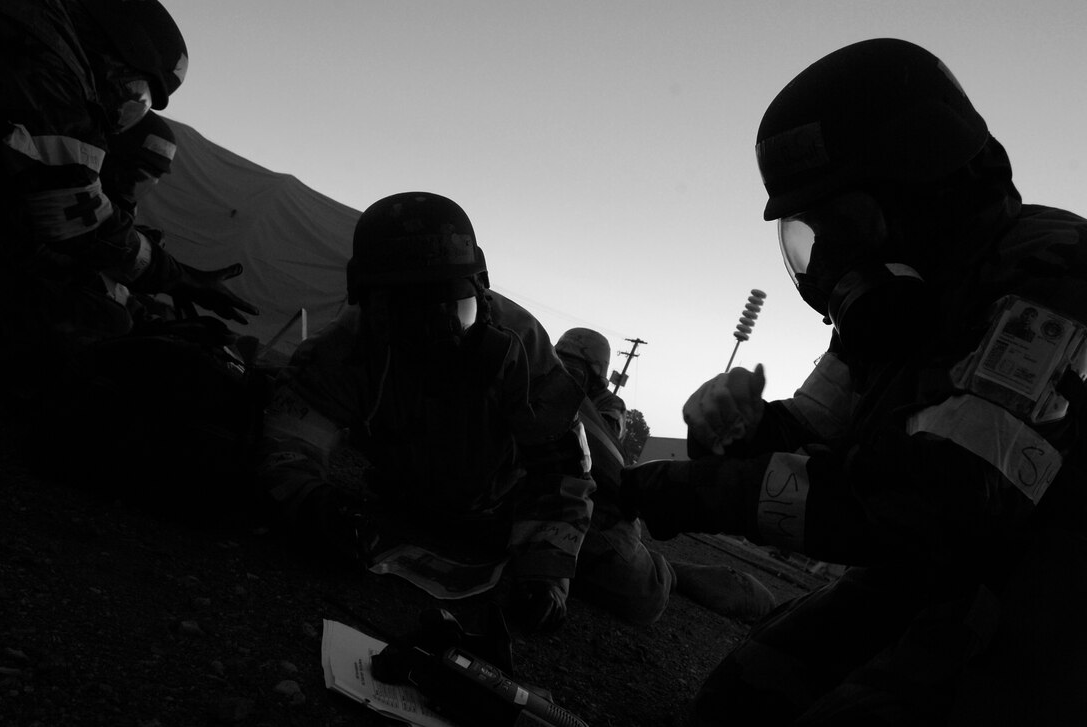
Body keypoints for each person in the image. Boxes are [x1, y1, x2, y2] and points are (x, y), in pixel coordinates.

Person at [620, 38, 1087, 725]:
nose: (830, 260)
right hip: (939, 572)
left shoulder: (1056, 278)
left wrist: (684, 490)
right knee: (742, 695)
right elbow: (805, 435)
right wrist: (732, 431)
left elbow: (938, 498)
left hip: (1055, 601)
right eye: (813, 233)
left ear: (925, 192)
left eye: (847, 223)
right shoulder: (899, 305)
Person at [256, 191, 602, 633]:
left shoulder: (520, 345)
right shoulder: (346, 349)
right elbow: (289, 442)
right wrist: (316, 506)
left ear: (482, 288)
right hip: (409, 501)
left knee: (632, 585)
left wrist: (547, 577)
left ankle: (673, 567)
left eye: (455, 309)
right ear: (367, 303)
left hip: (507, 509)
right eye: (406, 314)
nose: (436, 337)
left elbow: (562, 468)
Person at [0, 0, 257, 408]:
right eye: (132, 92)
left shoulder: (36, 31)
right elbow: (71, 221)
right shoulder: (48, 56)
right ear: (114, 50)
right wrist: (174, 279)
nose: (118, 112)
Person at [555, 327, 776, 623]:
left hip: (591, 494)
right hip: (543, 480)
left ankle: (668, 572)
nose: (564, 375)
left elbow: (602, 449)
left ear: (595, 377)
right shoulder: (540, 379)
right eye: (559, 363)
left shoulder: (608, 406)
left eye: (573, 369)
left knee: (644, 595)